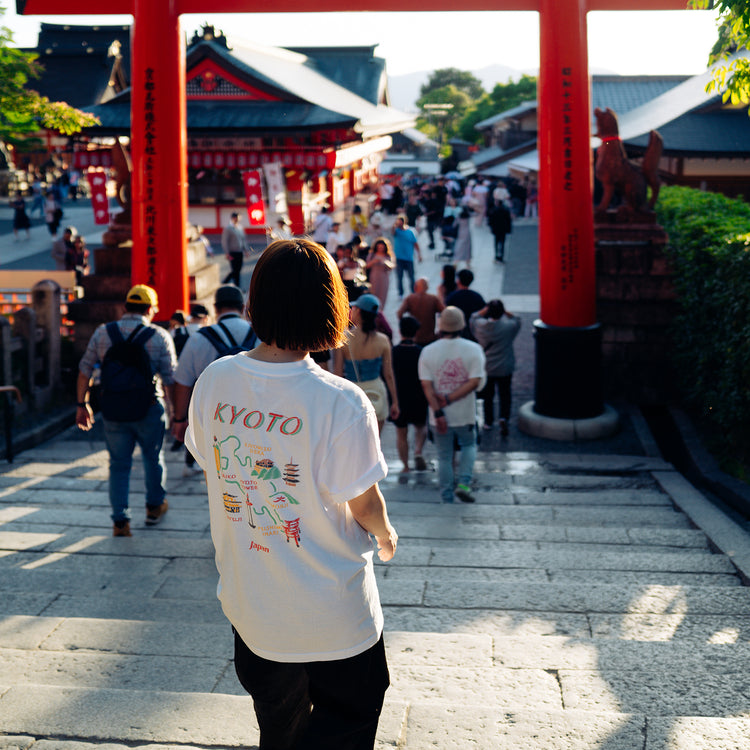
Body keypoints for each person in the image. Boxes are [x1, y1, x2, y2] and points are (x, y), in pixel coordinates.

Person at [185, 239, 397, 750]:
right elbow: (363, 503)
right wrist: (386, 536)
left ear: (257, 303)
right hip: (334, 613)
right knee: (348, 721)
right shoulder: (341, 401)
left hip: (254, 609)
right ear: (330, 310)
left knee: (278, 730)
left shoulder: (215, 381)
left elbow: (211, 463)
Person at [75, 284, 177, 537]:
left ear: (125, 307)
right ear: (151, 309)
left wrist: (82, 404)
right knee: (153, 459)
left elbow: (84, 369)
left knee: (118, 465)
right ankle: (154, 507)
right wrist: (176, 412)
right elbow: (170, 378)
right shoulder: (159, 335)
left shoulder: (102, 333)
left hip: (113, 409)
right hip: (149, 409)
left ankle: (120, 521)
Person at [172, 284, 255, 476]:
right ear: (243, 307)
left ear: (216, 309)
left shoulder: (199, 339)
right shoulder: (260, 336)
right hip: (254, 417)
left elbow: (183, 382)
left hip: (213, 418)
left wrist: (179, 419)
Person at [418, 306, 486, 504]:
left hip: (438, 416)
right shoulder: (474, 349)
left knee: (444, 456)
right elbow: (475, 382)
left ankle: (446, 496)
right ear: (462, 325)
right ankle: (464, 484)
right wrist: (450, 398)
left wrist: (439, 411)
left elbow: (426, 385)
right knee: (469, 445)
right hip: (465, 413)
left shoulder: (428, 351)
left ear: (441, 326)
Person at [333, 293, 399, 435]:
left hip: (352, 393)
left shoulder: (344, 339)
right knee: (375, 442)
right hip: (377, 392)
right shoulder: (383, 340)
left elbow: (337, 374)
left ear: (359, 312)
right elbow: (388, 374)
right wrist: (395, 401)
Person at [470, 300, 522, 436]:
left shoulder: (481, 327)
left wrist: (484, 310)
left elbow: (473, 318)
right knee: (505, 393)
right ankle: (504, 417)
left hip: (487, 366)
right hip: (505, 365)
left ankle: (488, 421)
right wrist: (504, 311)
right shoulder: (509, 327)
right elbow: (518, 319)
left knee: (488, 395)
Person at [391, 315, 428, 473]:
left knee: (401, 433)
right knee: (421, 427)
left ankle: (405, 466)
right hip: (419, 396)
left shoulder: (394, 352)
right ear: (416, 332)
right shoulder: (422, 352)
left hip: (399, 397)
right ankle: (418, 450)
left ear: (400, 331)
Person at [396, 277, 444, 346]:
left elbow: (399, 314)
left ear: (415, 287)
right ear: (427, 287)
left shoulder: (410, 298)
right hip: (430, 337)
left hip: (416, 337)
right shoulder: (433, 299)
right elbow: (445, 312)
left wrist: (407, 327)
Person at [446, 268, 486, 340]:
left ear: (458, 281)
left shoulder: (452, 296)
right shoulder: (477, 296)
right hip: (473, 331)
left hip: (456, 330)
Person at [392, 215, 422, 299]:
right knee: (399, 277)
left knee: (411, 277)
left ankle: (413, 292)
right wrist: (395, 224)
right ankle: (401, 293)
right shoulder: (397, 231)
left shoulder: (410, 232)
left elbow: (415, 244)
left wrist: (419, 255)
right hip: (399, 258)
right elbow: (392, 231)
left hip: (409, 258)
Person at [365, 237, 395, 310]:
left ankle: (381, 311)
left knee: (382, 295)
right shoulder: (372, 255)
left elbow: (391, 267)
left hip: (384, 277)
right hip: (374, 277)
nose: (380, 249)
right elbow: (366, 266)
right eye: (379, 247)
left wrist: (384, 262)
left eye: (382, 247)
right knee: (374, 294)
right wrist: (374, 261)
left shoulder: (387, 256)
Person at [222, 212, 247, 286]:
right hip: (232, 252)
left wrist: (246, 249)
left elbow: (243, 239)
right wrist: (227, 252)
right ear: (233, 218)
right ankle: (227, 283)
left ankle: (235, 285)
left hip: (240, 251)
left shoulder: (240, 228)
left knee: (238, 270)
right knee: (235, 270)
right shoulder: (228, 229)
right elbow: (225, 241)